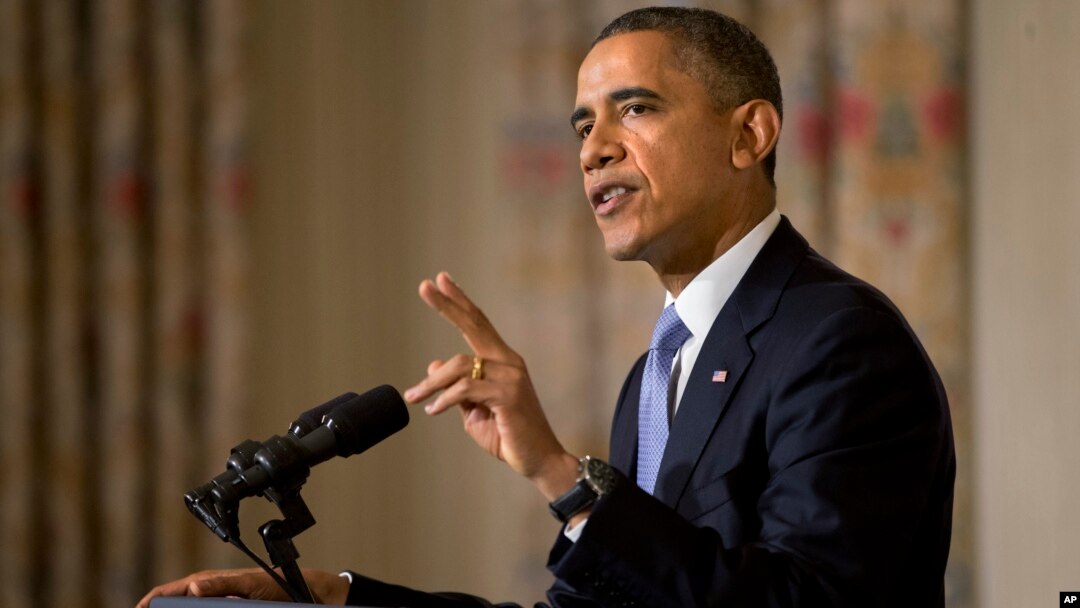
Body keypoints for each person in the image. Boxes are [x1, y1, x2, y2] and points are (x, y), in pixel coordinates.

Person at [138, 7, 954, 608]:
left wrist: (565, 478)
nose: (593, 148)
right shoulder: (658, 372)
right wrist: (336, 596)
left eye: (635, 109)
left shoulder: (840, 341)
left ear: (750, 136)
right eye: (581, 124)